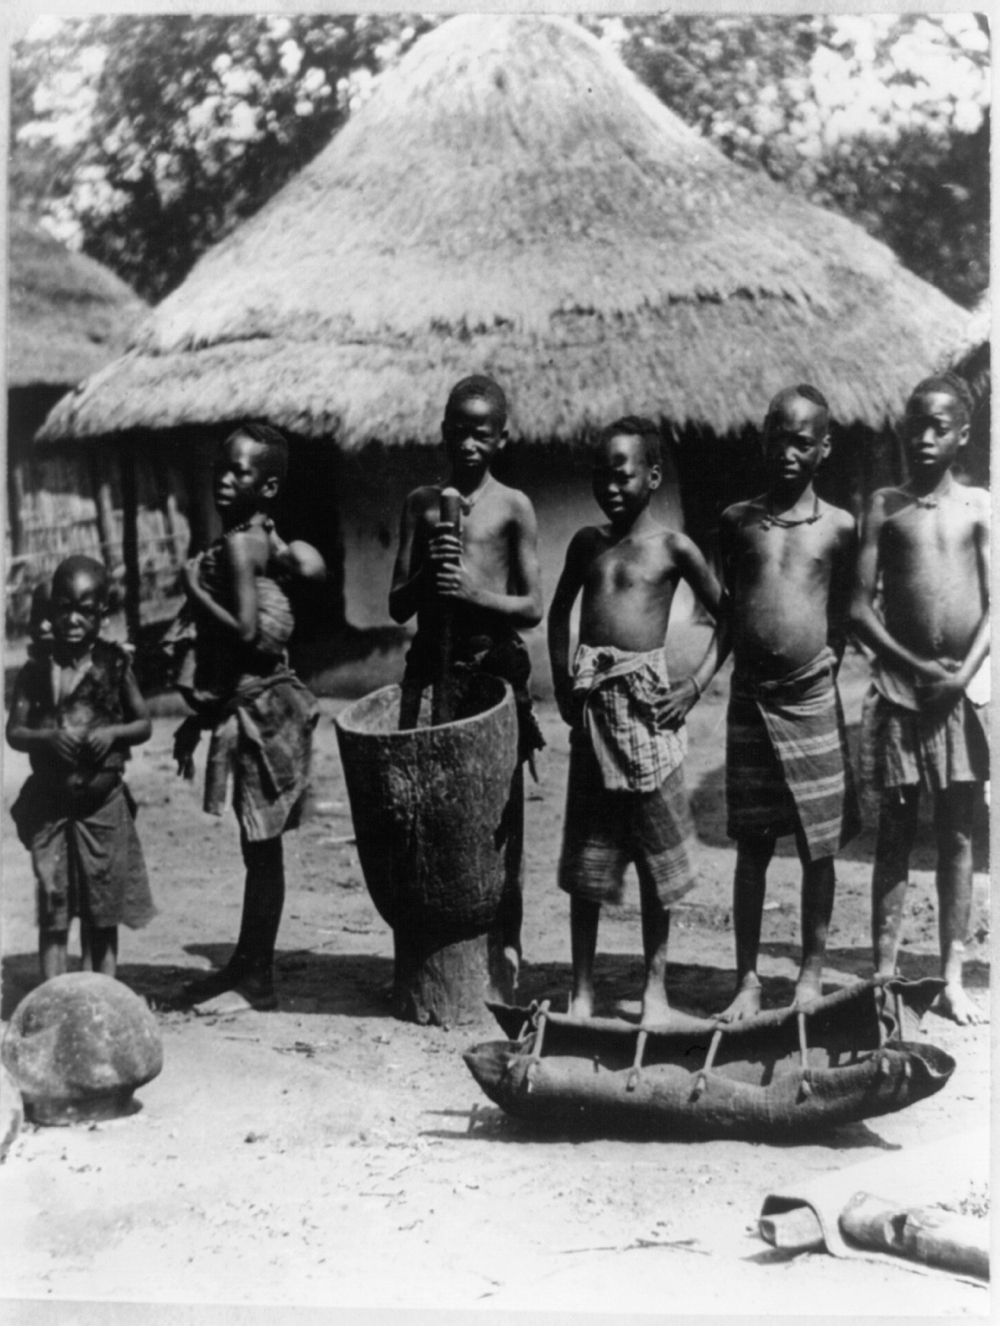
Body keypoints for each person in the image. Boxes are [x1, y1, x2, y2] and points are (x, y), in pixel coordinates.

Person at [548, 416, 724, 1026]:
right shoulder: (585, 545)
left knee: (657, 857)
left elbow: (728, 618)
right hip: (594, 712)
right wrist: (568, 681)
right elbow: (556, 614)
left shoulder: (673, 548)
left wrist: (694, 686)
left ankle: (655, 992)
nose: (609, 486)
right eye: (600, 475)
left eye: (621, 474)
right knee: (588, 861)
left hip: (650, 712)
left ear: (651, 477)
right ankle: (582, 992)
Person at [389, 374, 544, 989]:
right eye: (459, 430)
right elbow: (399, 606)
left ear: (502, 438)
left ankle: (505, 947)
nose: (469, 443)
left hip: (491, 672)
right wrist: (431, 574)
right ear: (443, 431)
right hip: (432, 671)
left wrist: (474, 594)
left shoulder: (514, 506)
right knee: (422, 808)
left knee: (498, 816)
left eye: (482, 433)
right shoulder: (423, 504)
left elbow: (531, 607)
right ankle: (421, 953)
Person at [717, 385, 859, 1021]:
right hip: (750, 701)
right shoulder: (737, 521)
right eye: (777, 437)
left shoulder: (839, 527)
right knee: (752, 842)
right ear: (762, 439)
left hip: (810, 699)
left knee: (817, 843)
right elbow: (731, 604)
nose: (787, 451)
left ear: (824, 447)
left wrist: (821, 661)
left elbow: (843, 613)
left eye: (802, 440)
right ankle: (747, 978)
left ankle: (810, 972)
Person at [851, 373, 989, 1026]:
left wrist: (961, 676)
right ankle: (883, 975)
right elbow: (858, 610)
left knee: (959, 833)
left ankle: (952, 976)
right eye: (916, 423)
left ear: (963, 434)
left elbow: (994, 607)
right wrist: (915, 665)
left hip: (960, 695)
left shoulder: (980, 507)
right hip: (901, 693)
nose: (925, 436)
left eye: (940, 425)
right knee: (896, 833)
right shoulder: (884, 505)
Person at [172, 422, 321, 1011]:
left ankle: (256, 977)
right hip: (263, 703)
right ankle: (244, 963)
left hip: (264, 710)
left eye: (241, 471)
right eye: (222, 467)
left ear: (268, 487)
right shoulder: (261, 535)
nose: (224, 479)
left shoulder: (238, 544)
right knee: (258, 848)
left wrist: (191, 586)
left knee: (261, 849)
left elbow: (244, 631)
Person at [7, 555, 155, 982]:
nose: (72, 620)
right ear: (51, 611)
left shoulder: (115, 665)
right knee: (54, 908)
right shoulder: (35, 672)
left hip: (102, 809)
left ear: (102, 616)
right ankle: (52, 997)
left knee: (101, 907)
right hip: (52, 809)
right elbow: (14, 732)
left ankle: (100, 997)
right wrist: (48, 737)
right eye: (63, 608)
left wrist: (114, 734)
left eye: (85, 611)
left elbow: (143, 723)